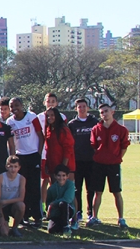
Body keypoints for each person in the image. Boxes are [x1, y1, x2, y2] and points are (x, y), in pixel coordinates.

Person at [88, 102, 130, 230]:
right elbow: (94, 146)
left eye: (106, 111)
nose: (104, 114)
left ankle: (121, 218)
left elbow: (124, 146)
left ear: (112, 112)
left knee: (117, 192)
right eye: (102, 112)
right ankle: (94, 217)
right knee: (98, 192)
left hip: (113, 165)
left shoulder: (121, 130)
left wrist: (117, 158)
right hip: (99, 165)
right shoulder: (96, 129)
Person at [7, 97, 44, 226]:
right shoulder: (10, 121)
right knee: (22, 187)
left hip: (33, 155)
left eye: (17, 105)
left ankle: (38, 216)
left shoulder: (31, 116)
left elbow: (40, 135)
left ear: (22, 105)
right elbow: (10, 141)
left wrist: (38, 154)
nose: (14, 108)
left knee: (34, 187)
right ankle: (24, 216)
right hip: (20, 157)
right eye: (12, 106)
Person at [68, 98, 98, 229]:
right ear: (76, 109)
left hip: (92, 160)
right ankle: (78, 212)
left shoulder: (94, 122)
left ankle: (91, 213)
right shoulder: (72, 124)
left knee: (90, 188)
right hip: (77, 161)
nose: (82, 108)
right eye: (79, 107)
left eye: (84, 106)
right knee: (77, 188)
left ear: (88, 108)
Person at [0, 156, 26, 237]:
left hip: (13, 205)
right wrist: (1, 216)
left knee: (21, 206)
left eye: (15, 167)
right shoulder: (0, 177)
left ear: (19, 168)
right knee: (4, 233)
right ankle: (2, 223)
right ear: (6, 167)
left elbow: (21, 198)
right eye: (10, 166)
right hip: (1, 206)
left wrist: (6, 201)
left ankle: (15, 228)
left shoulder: (21, 178)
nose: (13, 169)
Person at [46, 165, 76, 236]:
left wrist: (53, 203)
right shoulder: (51, 188)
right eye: (59, 175)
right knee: (52, 230)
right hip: (56, 212)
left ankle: (66, 227)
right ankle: (61, 227)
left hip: (68, 209)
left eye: (63, 175)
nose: (61, 178)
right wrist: (50, 208)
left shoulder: (70, 185)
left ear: (67, 176)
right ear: (55, 176)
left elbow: (67, 199)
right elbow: (48, 202)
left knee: (63, 203)